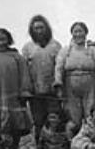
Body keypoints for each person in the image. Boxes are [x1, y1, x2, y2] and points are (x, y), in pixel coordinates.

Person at [54, 22, 95, 136]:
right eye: (75, 31)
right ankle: (72, 142)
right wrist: (58, 84)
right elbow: (58, 67)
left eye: (81, 31)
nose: (78, 34)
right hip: (71, 86)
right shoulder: (66, 51)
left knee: (91, 116)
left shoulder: (93, 50)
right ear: (72, 34)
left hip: (90, 85)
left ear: (86, 33)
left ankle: (92, 142)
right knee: (74, 119)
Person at [21, 14, 62, 145]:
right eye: (36, 28)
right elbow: (24, 71)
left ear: (47, 28)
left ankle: (55, 145)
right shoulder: (28, 47)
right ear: (32, 30)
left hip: (52, 91)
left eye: (41, 27)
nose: (39, 31)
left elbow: (60, 68)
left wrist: (59, 87)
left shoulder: (55, 45)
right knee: (38, 121)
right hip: (35, 92)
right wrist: (26, 90)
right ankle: (38, 144)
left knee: (54, 120)